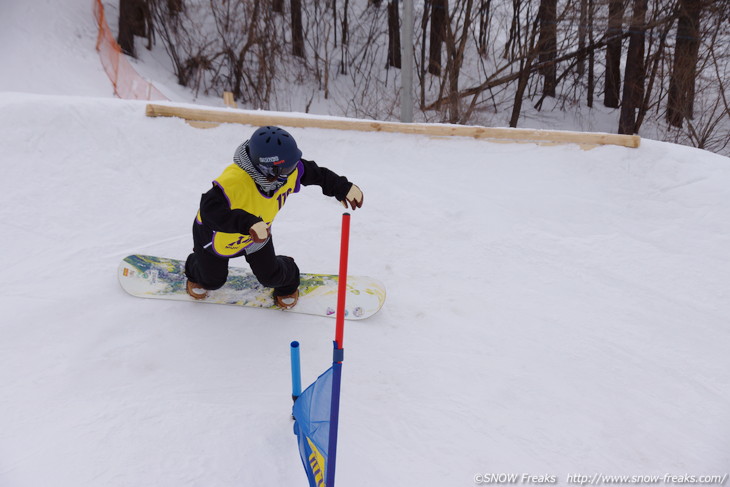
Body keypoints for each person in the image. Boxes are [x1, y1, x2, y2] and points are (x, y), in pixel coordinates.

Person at [184, 126, 364, 309]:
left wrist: (342, 188)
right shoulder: (233, 182)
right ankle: (196, 264)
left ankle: (289, 279)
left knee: (272, 276)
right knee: (211, 281)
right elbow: (209, 211)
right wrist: (247, 224)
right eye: (287, 168)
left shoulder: (287, 171)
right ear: (267, 169)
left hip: (258, 235)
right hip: (216, 237)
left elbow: (317, 174)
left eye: (293, 164)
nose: (294, 170)